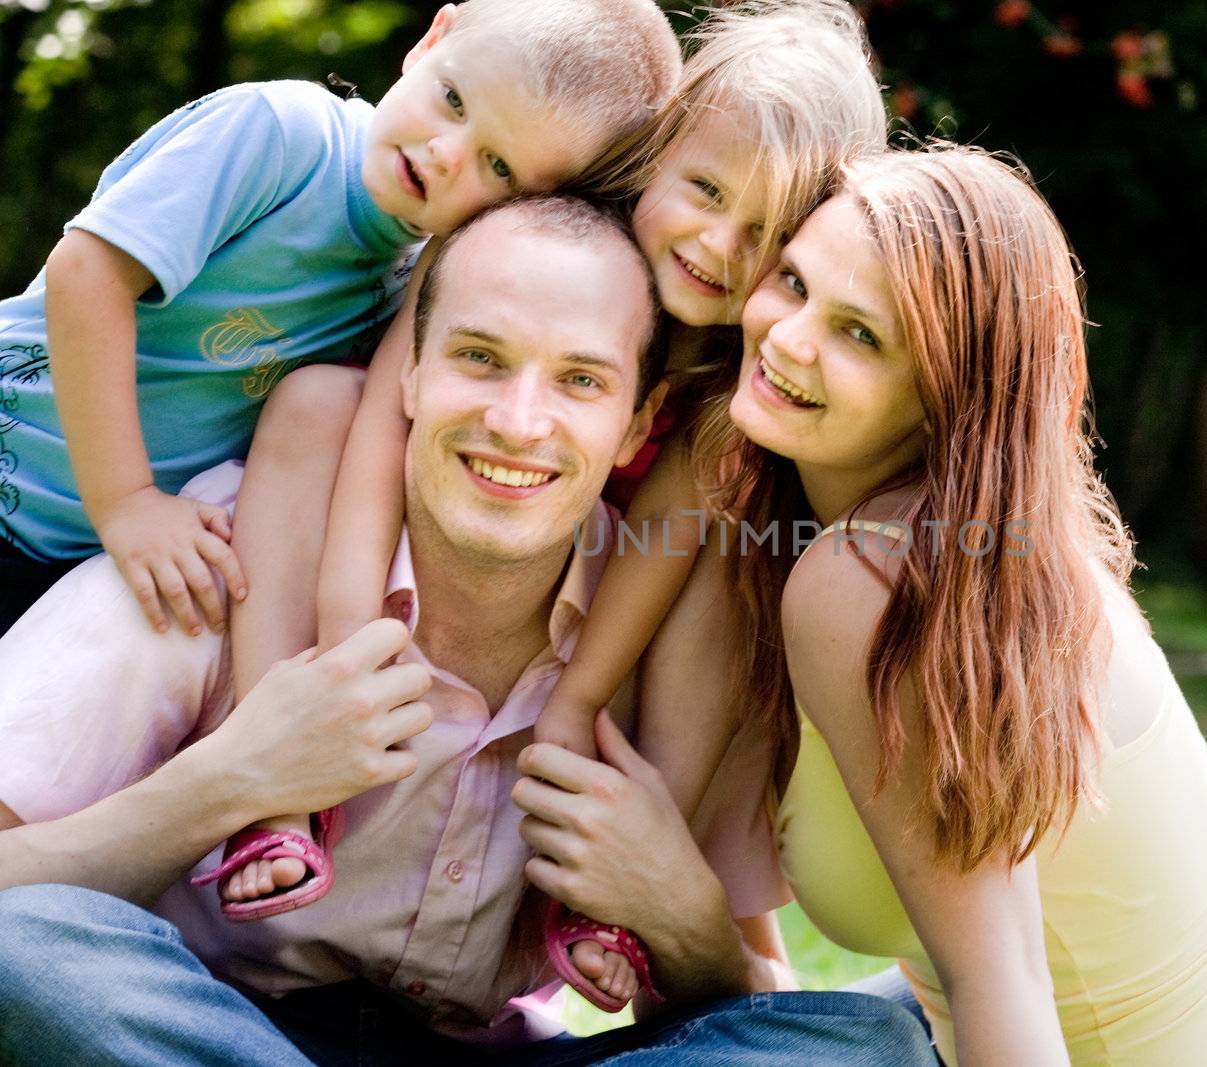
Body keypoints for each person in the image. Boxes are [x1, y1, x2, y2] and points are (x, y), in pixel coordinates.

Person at [0, 196, 937, 1067]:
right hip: (216, 1030)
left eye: (579, 379)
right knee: (22, 950)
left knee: (872, 1041)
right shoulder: (222, 563)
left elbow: (742, 1003)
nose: (518, 422)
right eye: (480, 357)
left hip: (498, 1052)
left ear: (635, 423)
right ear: (407, 376)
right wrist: (233, 777)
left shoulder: (674, 642)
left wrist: (684, 916)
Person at [217, 0, 886, 1013]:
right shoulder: (523, 244)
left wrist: (576, 705)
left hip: (591, 574)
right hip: (443, 510)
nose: (716, 244)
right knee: (319, 405)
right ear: (657, 154)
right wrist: (349, 632)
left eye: (764, 232)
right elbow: (377, 436)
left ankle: (619, 871)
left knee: (724, 556)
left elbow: (663, 539)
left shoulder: (724, 377)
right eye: (702, 189)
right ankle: (269, 798)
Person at [701, 146, 1207, 1066]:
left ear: (947, 399)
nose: (787, 336)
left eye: (861, 334)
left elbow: (1003, 977)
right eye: (792, 282)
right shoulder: (996, 555)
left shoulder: (876, 580)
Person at [0, 0, 681, 637]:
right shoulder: (284, 138)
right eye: (453, 100)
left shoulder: (426, 280)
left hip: (85, 553)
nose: (446, 153)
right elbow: (85, 274)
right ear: (431, 42)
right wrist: (128, 502)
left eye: (498, 164)